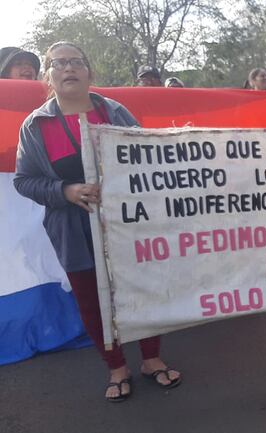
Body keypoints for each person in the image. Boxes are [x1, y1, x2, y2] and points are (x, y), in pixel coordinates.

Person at [14, 41, 182, 402]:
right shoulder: (36, 125)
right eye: (58, 63)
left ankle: (151, 359)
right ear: (49, 75)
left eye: (76, 61)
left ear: (89, 71)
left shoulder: (116, 113)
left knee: (143, 292)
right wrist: (66, 191)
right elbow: (24, 180)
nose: (68, 68)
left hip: (127, 224)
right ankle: (117, 367)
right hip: (74, 232)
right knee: (92, 302)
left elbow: (147, 158)